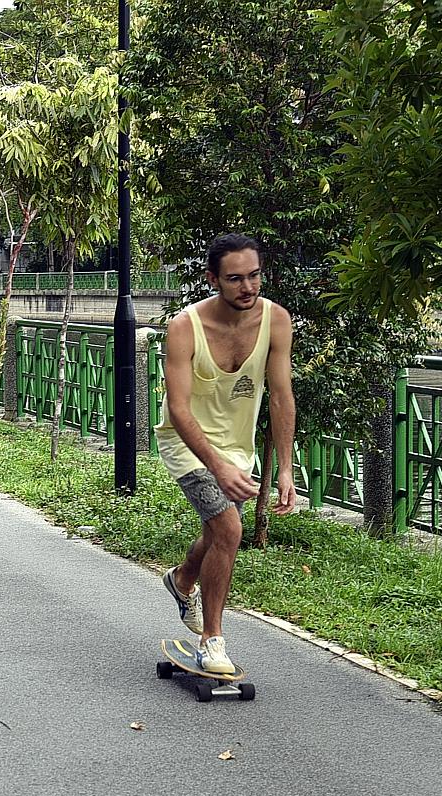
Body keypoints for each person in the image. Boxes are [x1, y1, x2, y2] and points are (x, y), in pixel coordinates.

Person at [156, 232, 296, 675]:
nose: (248, 287)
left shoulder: (276, 321)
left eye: (254, 276)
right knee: (230, 529)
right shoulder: (185, 327)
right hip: (186, 442)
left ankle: (182, 580)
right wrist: (215, 466)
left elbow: (281, 396)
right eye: (235, 279)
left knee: (219, 533)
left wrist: (286, 469)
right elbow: (179, 409)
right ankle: (212, 641)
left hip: (237, 447)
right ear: (212, 279)